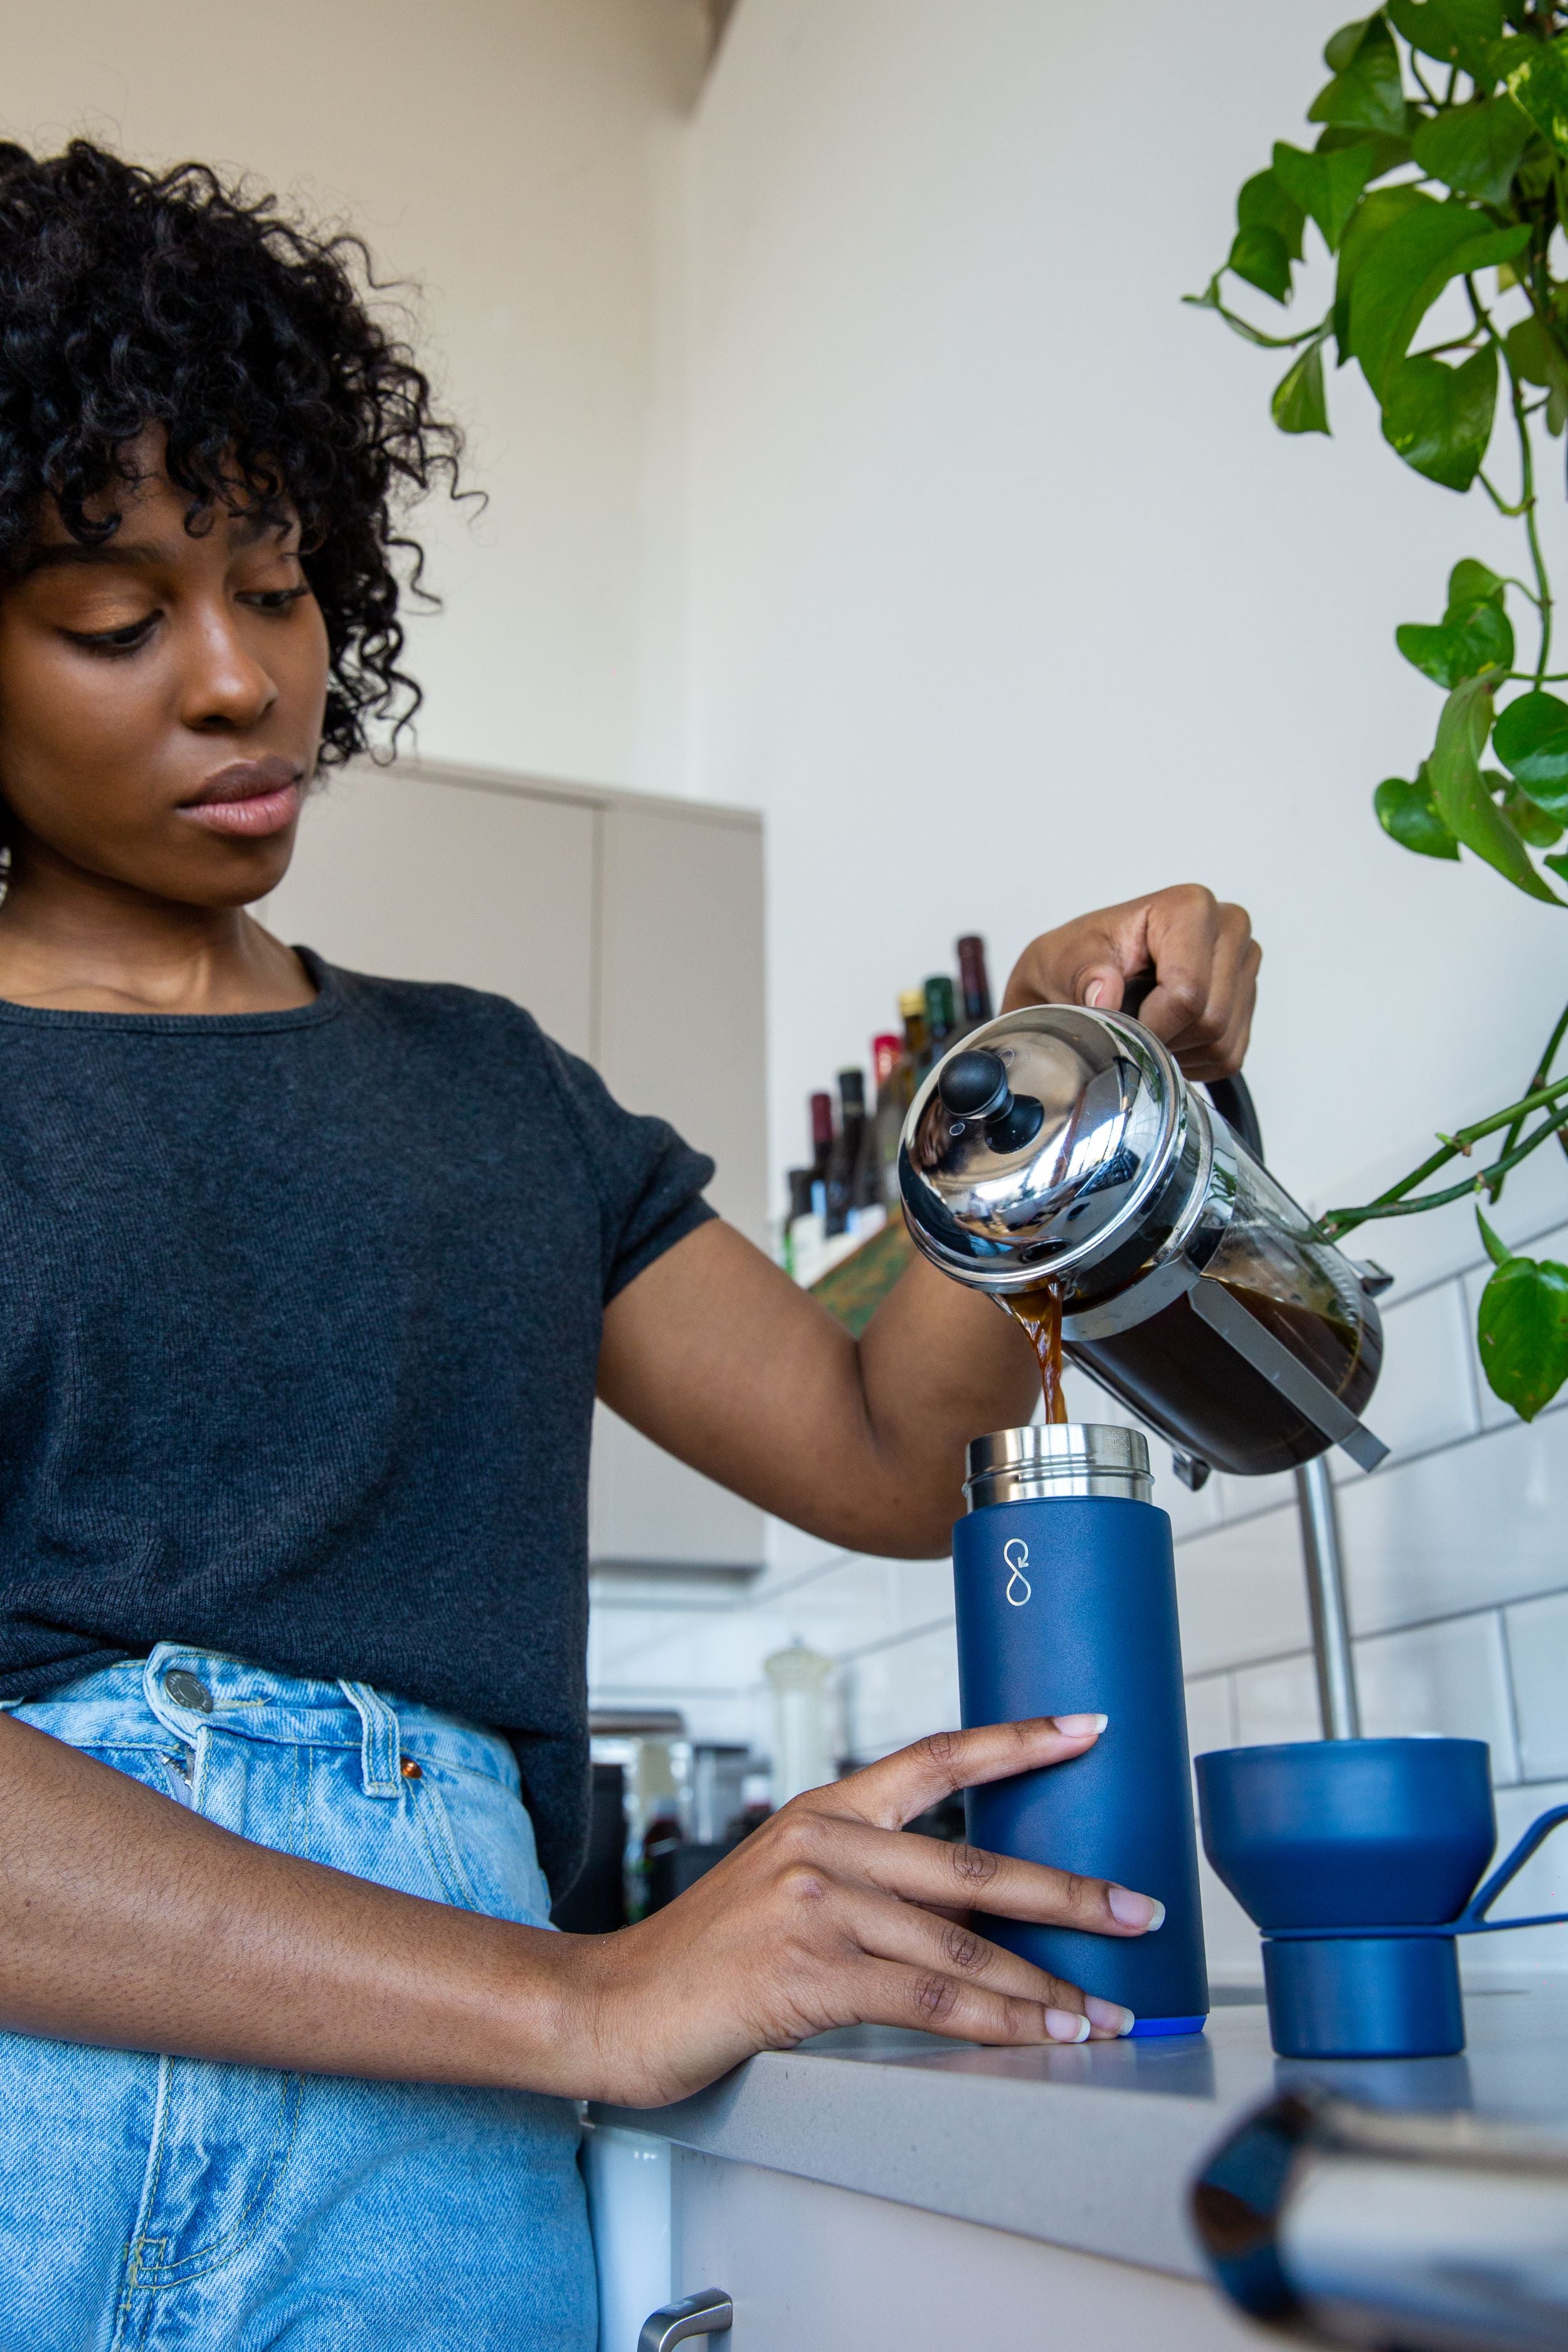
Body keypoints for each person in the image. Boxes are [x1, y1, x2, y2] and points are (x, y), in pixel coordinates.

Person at [0, 142, 1261, 2351]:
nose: (237, 683)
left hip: (439, 2144)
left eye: (280, 588)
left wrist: (1035, 1066)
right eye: (116, 618)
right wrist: (579, 1997)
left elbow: (884, 1449)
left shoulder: (491, 1088)